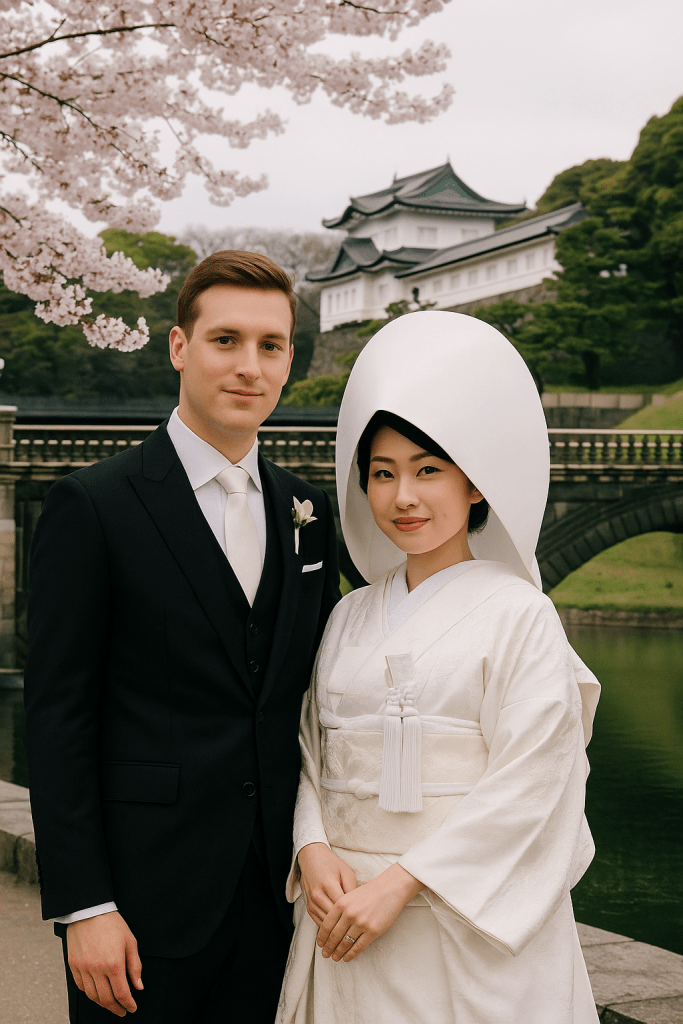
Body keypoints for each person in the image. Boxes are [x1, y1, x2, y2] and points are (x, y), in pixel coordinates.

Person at [23, 250, 340, 1022]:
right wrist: (84, 905)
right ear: (178, 347)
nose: (249, 367)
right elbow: (58, 717)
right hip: (138, 908)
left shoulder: (309, 511)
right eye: (225, 340)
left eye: (271, 346)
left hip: (278, 903)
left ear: (290, 358)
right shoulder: (92, 505)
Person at [276, 310, 601, 1024]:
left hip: (461, 921)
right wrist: (311, 845)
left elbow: (535, 782)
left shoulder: (520, 615)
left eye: (428, 471)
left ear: (475, 484)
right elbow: (307, 750)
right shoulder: (349, 614)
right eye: (383, 474)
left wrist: (404, 881)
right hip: (344, 914)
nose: (403, 498)